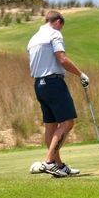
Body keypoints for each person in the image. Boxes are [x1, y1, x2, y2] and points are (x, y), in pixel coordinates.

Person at [27, 10, 90, 177]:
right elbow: (62, 59)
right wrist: (80, 74)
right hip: (53, 83)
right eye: (61, 27)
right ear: (58, 22)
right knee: (68, 123)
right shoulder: (54, 34)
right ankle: (48, 161)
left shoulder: (33, 38)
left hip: (39, 85)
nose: (61, 30)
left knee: (51, 125)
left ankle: (59, 165)